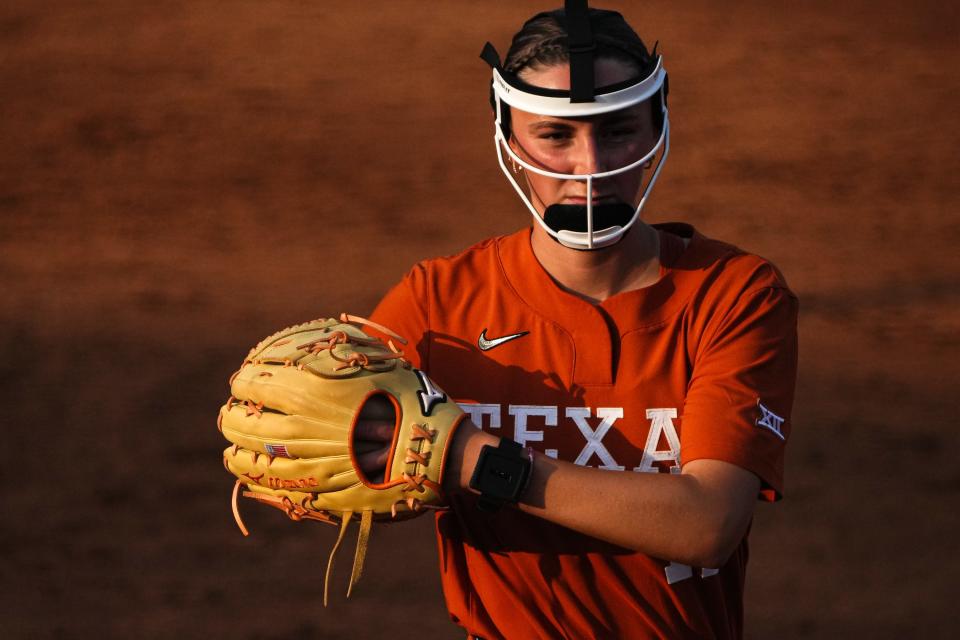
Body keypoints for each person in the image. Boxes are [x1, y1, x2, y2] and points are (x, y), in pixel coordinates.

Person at [357, 2, 798, 638]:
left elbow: (707, 526)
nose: (590, 168)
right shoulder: (436, 304)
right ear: (509, 137)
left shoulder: (736, 296)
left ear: (658, 128)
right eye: (557, 136)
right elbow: (338, 466)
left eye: (617, 131)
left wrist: (469, 460)